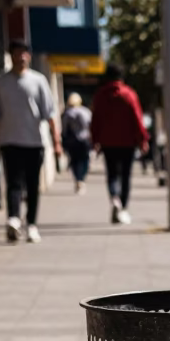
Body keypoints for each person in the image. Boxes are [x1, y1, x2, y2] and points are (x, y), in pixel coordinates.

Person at [0, 38, 61, 243]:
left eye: (24, 52)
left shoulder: (39, 80)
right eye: (17, 52)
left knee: (32, 186)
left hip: (34, 142)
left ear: (29, 56)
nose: (21, 56)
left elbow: (49, 114)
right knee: (13, 183)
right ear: (11, 55)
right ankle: (13, 219)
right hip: (9, 141)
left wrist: (57, 141)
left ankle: (31, 224)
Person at [90, 63, 148, 224]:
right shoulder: (129, 94)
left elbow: (95, 120)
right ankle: (122, 207)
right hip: (128, 142)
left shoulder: (100, 95)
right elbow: (137, 119)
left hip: (108, 143)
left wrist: (95, 140)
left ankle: (114, 198)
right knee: (126, 176)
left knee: (112, 175)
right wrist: (142, 139)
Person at [61, 92, 92, 193]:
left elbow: (64, 128)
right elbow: (91, 125)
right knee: (85, 160)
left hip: (73, 141)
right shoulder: (85, 111)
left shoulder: (67, 113)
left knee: (75, 161)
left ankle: (78, 179)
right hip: (85, 140)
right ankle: (81, 178)